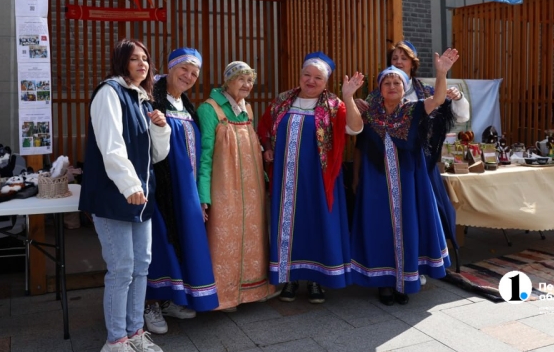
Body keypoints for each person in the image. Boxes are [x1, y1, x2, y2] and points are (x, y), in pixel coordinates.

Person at [79, 39, 170, 352]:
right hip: (114, 195)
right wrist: (129, 184)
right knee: (121, 269)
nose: (142, 64)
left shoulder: (142, 99)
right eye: (134, 59)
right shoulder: (109, 93)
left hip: (140, 197)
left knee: (140, 266)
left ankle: (134, 333)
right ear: (121, 62)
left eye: (145, 59)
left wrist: (161, 128)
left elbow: (158, 154)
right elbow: (111, 145)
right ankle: (115, 341)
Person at [355, 40, 469, 284]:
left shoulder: (423, 94)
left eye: (403, 58)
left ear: (412, 64)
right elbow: (359, 132)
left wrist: (446, 80)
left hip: (418, 164)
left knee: (421, 213)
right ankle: (387, 272)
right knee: (383, 217)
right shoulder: (375, 97)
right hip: (380, 168)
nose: (398, 62)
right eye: (394, 58)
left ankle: (417, 265)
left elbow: (446, 106)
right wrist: (351, 102)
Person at [259, 52, 364, 303]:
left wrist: (349, 98)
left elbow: (355, 128)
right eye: (307, 74)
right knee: (289, 225)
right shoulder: (283, 100)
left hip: (320, 180)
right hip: (287, 180)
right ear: (300, 75)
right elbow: (264, 129)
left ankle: (318, 280)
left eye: (318, 77)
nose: (311, 80)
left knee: (319, 223)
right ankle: (290, 278)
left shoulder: (334, 104)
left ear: (326, 82)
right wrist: (267, 147)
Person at [144, 48, 218, 334]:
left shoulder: (185, 104)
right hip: (161, 187)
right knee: (159, 242)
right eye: (184, 69)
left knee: (182, 241)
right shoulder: (152, 99)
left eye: (194, 72)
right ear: (170, 68)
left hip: (186, 188)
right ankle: (150, 301)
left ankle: (170, 298)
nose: (188, 76)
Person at [197, 60, 273, 311]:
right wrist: (203, 193)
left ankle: (253, 289)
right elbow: (205, 154)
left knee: (253, 234)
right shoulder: (209, 109)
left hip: (251, 188)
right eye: (241, 79)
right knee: (224, 234)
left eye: (250, 80)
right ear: (227, 81)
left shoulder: (247, 109)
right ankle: (224, 294)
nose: (246, 85)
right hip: (224, 186)